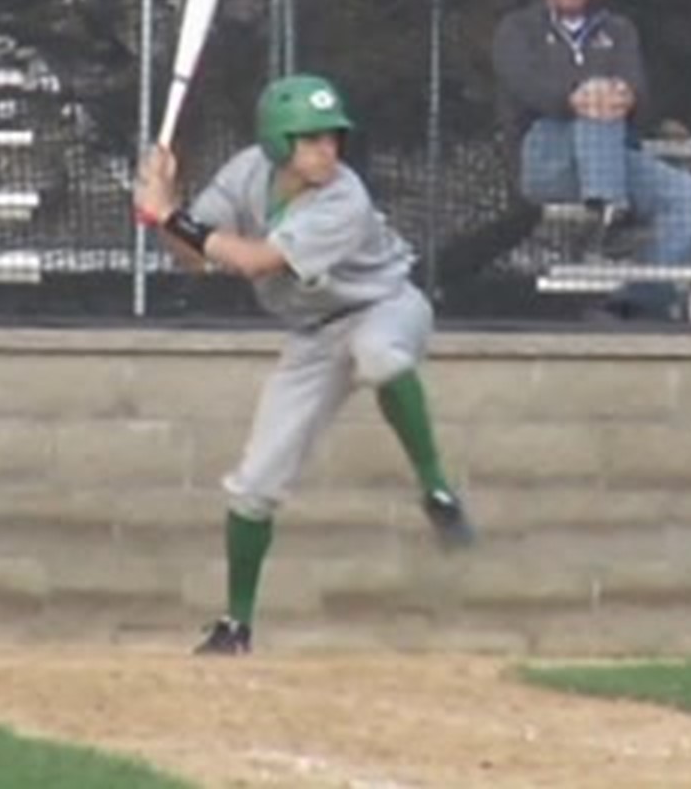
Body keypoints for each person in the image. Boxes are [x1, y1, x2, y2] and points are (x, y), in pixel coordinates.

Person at [133, 73, 475, 656]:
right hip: (313, 337)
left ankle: (435, 485)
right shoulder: (246, 173)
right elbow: (194, 256)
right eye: (310, 138)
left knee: (379, 357)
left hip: (385, 306)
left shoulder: (345, 196)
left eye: (332, 137)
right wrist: (162, 202)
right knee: (253, 485)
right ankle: (236, 625)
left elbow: (257, 261)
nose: (327, 149)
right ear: (276, 144)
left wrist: (170, 215)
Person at [492, 0, 691, 320]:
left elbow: (639, 91)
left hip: (612, 154)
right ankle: (612, 213)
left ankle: (636, 302)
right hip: (546, 156)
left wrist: (624, 96)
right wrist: (579, 96)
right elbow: (527, 87)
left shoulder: (618, 29)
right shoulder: (517, 30)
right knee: (595, 102)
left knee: (690, 199)